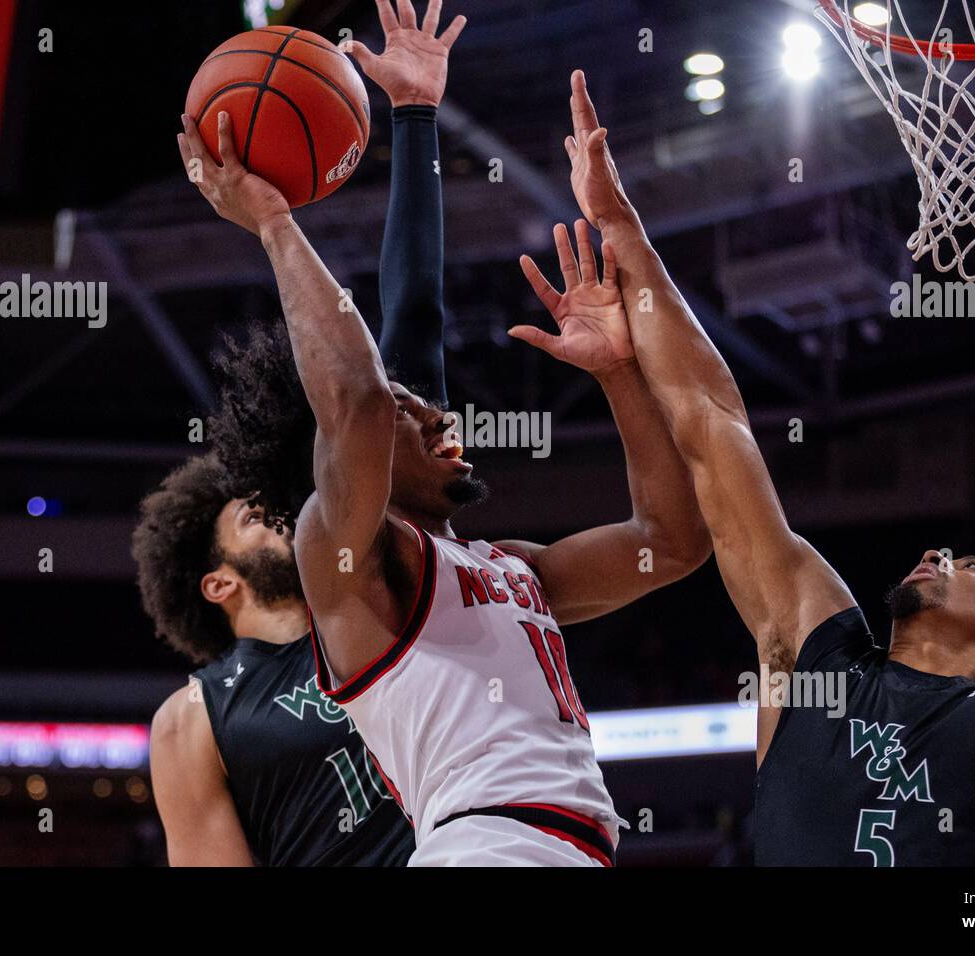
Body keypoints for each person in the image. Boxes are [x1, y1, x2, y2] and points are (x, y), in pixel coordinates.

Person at [559, 69, 975, 866]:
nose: (938, 553)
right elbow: (713, 423)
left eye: (971, 562)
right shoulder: (810, 649)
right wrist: (624, 230)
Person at [179, 67, 711, 868]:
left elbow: (673, 540)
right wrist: (275, 223)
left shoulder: (511, 568)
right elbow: (355, 398)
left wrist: (618, 375)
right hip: (486, 847)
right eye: (406, 408)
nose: (434, 410)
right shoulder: (346, 558)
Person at [136, 0, 464, 866]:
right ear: (217, 585)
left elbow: (412, 331)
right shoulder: (196, 717)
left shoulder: (384, 576)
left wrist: (417, 118)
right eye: (251, 515)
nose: (282, 510)